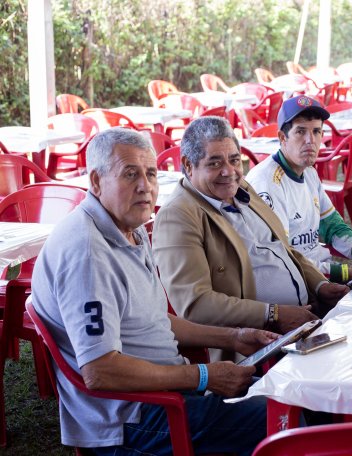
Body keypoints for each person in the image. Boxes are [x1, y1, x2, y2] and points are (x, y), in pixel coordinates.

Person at [30, 128, 275, 454]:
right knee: (282, 419)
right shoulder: (88, 252)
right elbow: (100, 372)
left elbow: (155, 318)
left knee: (290, 394)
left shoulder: (127, 225)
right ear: (96, 181)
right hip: (133, 418)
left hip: (172, 393)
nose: (145, 186)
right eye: (130, 174)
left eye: (150, 174)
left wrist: (233, 337)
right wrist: (203, 376)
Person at [152, 116, 349, 360]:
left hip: (305, 317)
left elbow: (284, 249)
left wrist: (320, 285)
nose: (229, 171)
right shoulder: (178, 216)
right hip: (258, 347)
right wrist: (274, 314)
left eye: (234, 160)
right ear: (188, 165)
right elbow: (195, 305)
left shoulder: (241, 189)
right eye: (214, 163)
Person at [246, 96, 352, 284]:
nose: (310, 141)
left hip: (318, 274)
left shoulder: (309, 173)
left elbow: (331, 223)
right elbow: (282, 257)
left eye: (317, 131)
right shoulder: (267, 183)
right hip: (292, 282)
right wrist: (347, 274)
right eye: (300, 132)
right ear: (282, 138)